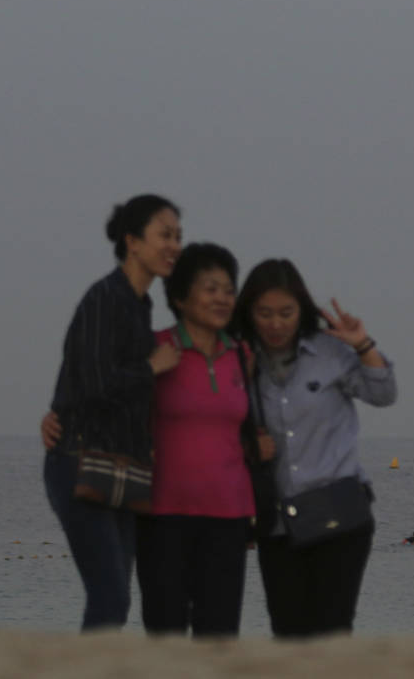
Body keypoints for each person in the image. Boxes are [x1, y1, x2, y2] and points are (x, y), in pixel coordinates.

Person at [236, 258, 397, 638]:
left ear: (302, 310)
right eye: (265, 313)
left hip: (338, 515)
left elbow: (383, 393)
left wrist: (363, 345)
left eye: (286, 312)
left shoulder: (329, 351)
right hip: (277, 522)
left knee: (333, 631)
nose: (276, 323)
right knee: (287, 633)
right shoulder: (238, 359)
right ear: (250, 313)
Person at [43, 195, 183, 630]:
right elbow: (93, 385)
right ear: (133, 242)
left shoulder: (138, 306)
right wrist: (151, 367)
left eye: (178, 236)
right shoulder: (106, 297)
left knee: (116, 598)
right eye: (164, 235)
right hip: (80, 463)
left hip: (120, 468)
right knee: (110, 594)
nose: (174, 245)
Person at [134, 242, 261, 636]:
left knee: (220, 637)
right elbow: (111, 397)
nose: (223, 298)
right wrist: (58, 416)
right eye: (210, 288)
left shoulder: (242, 354)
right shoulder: (154, 347)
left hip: (229, 516)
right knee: (164, 632)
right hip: (161, 515)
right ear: (179, 296)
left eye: (228, 289)